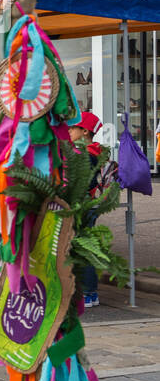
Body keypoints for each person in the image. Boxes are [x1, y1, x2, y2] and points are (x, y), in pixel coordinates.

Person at [69, 111, 104, 308]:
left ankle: (89, 293)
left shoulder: (86, 154)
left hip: (83, 205)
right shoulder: (93, 151)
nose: (69, 131)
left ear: (84, 131)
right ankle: (88, 292)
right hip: (88, 204)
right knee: (83, 247)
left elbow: (82, 182)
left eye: (73, 128)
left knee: (84, 248)